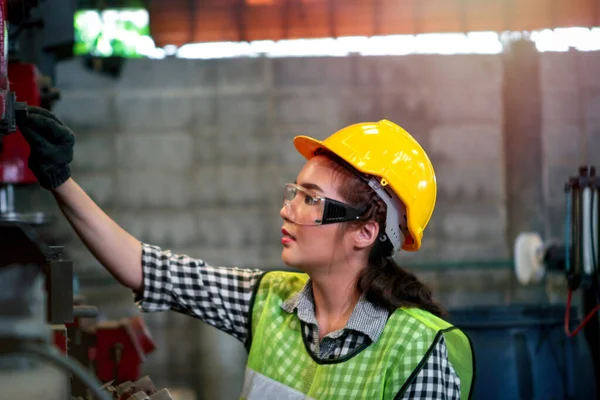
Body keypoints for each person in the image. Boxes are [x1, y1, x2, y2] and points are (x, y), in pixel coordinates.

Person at [18, 107, 475, 400]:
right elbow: (150, 270)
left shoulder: (418, 348)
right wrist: (59, 180)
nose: (287, 208)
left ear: (365, 231)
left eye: (310, 199)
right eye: (293, 191)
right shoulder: (270, 302)